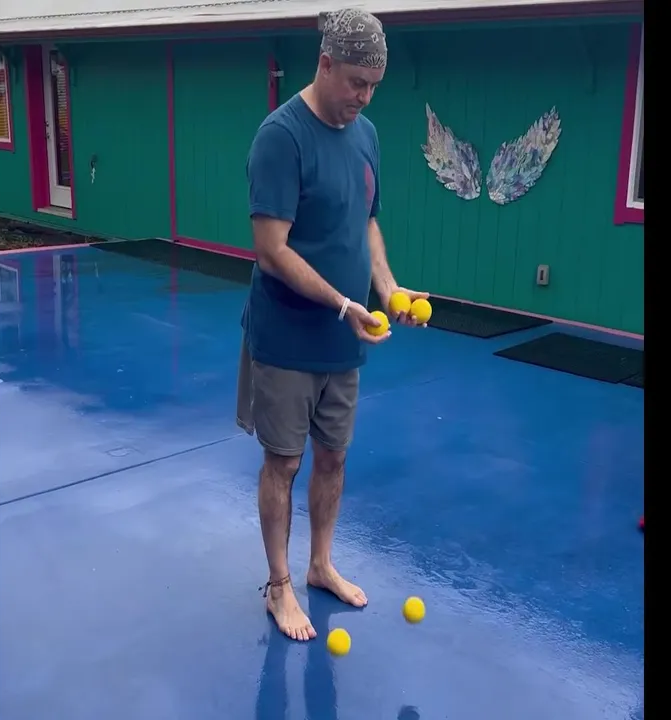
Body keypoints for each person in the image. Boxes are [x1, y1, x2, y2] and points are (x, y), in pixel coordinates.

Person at [236, 8, 429, 641]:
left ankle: (319, 565)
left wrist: (388, 290)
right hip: (287, 338)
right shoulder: (281, 137)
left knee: (333, 459)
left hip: (346, 338)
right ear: (324, 64)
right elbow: (272, 249)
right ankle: (279, 585)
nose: (364, 97)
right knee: (283, 463)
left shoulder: (366, 134)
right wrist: (344, 305)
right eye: (355, 82)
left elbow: (365, 222)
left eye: (373, 85)